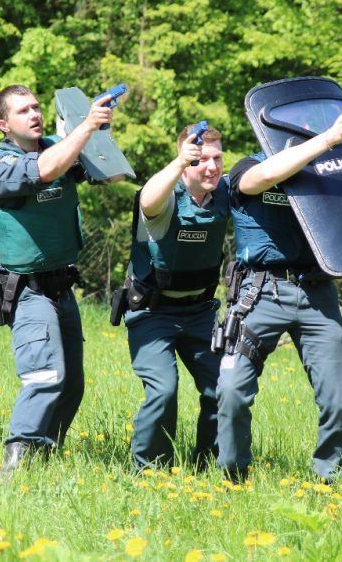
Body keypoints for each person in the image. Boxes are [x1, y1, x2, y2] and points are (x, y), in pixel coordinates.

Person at [215, 109, 342, 483]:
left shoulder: (324, 174)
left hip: (317, 293)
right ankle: (234, 480)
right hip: (261, 291)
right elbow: (262, 178)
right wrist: (329, 138)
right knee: (232, 391)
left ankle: (328, 481)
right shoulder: (247, 166)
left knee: (340, 401)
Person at [0, 85, 113, 476]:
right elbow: (44, 170)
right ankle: (13, 471)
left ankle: (44, 463)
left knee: (71, 385)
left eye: (37, 107)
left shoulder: (58, 145)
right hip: (28, 291)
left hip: (62, 287)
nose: (34, 114)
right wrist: (86, 126)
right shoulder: (0, 166)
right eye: (23, 111)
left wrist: (92, 128)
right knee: (44, 377)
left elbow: (106, 170)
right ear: (4, 124)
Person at [120, 124, 229, 471]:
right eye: (201, 161)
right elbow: (148, 200)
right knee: (164, 391)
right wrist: (180, 163)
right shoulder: (167, 195)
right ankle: (150, 470)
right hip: (153, 313)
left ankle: (208, 464)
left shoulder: (225, 193)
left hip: (200, 311)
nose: (211, 167)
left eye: (217, 158)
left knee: (225, 388)